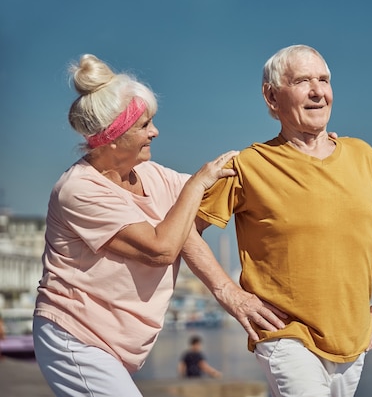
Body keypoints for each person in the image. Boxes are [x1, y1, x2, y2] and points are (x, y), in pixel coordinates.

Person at [194, 44, 372, 397]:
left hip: (353, 338)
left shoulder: (366, 158)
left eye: (323, 80)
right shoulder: (248, 165)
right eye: (302, 81)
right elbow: (186, 229)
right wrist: (230, 294)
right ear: (272, 97)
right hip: (284, 334)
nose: (317, 91)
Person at [32, 54, 246, 397]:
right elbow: (161, 248)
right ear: (112, 137)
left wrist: (300, 149)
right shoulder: (79, 190)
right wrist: (194, 186)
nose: (155, 132)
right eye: (145, 125)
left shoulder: (152, 175)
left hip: (115, 347)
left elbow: (210, 200)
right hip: (75, 337)